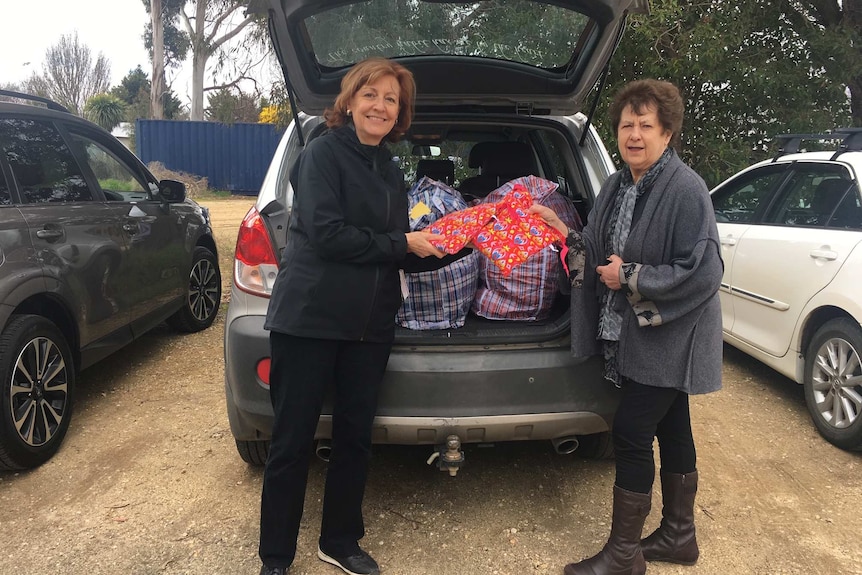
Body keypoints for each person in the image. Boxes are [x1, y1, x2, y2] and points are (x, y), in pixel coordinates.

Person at [258, 57, 462, 575]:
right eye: (371, 94)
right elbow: (327, 234)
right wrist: (402, 241)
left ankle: (340, 540)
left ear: (400, 115)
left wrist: (462, 243)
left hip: (369, 326)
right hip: (310, 320)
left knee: (354, 438)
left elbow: (393, 252)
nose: (380, 106)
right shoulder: (322, 154)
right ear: (349, 101)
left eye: (391, 100)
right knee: (291, 441)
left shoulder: (391, 172)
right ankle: (276, 557)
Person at [530, 79, 723, 575]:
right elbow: (596, 246)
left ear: (668, 132)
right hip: (634, 329)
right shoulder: (617, 184)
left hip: (671, 334)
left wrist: (630, 276)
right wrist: (565, 233)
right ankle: (680, 536)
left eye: (646, 125)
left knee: (633, 430)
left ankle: (622, 557)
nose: (634, 134)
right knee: (673, 424)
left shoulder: (685, 189)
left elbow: (703, 270)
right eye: (626, 125)